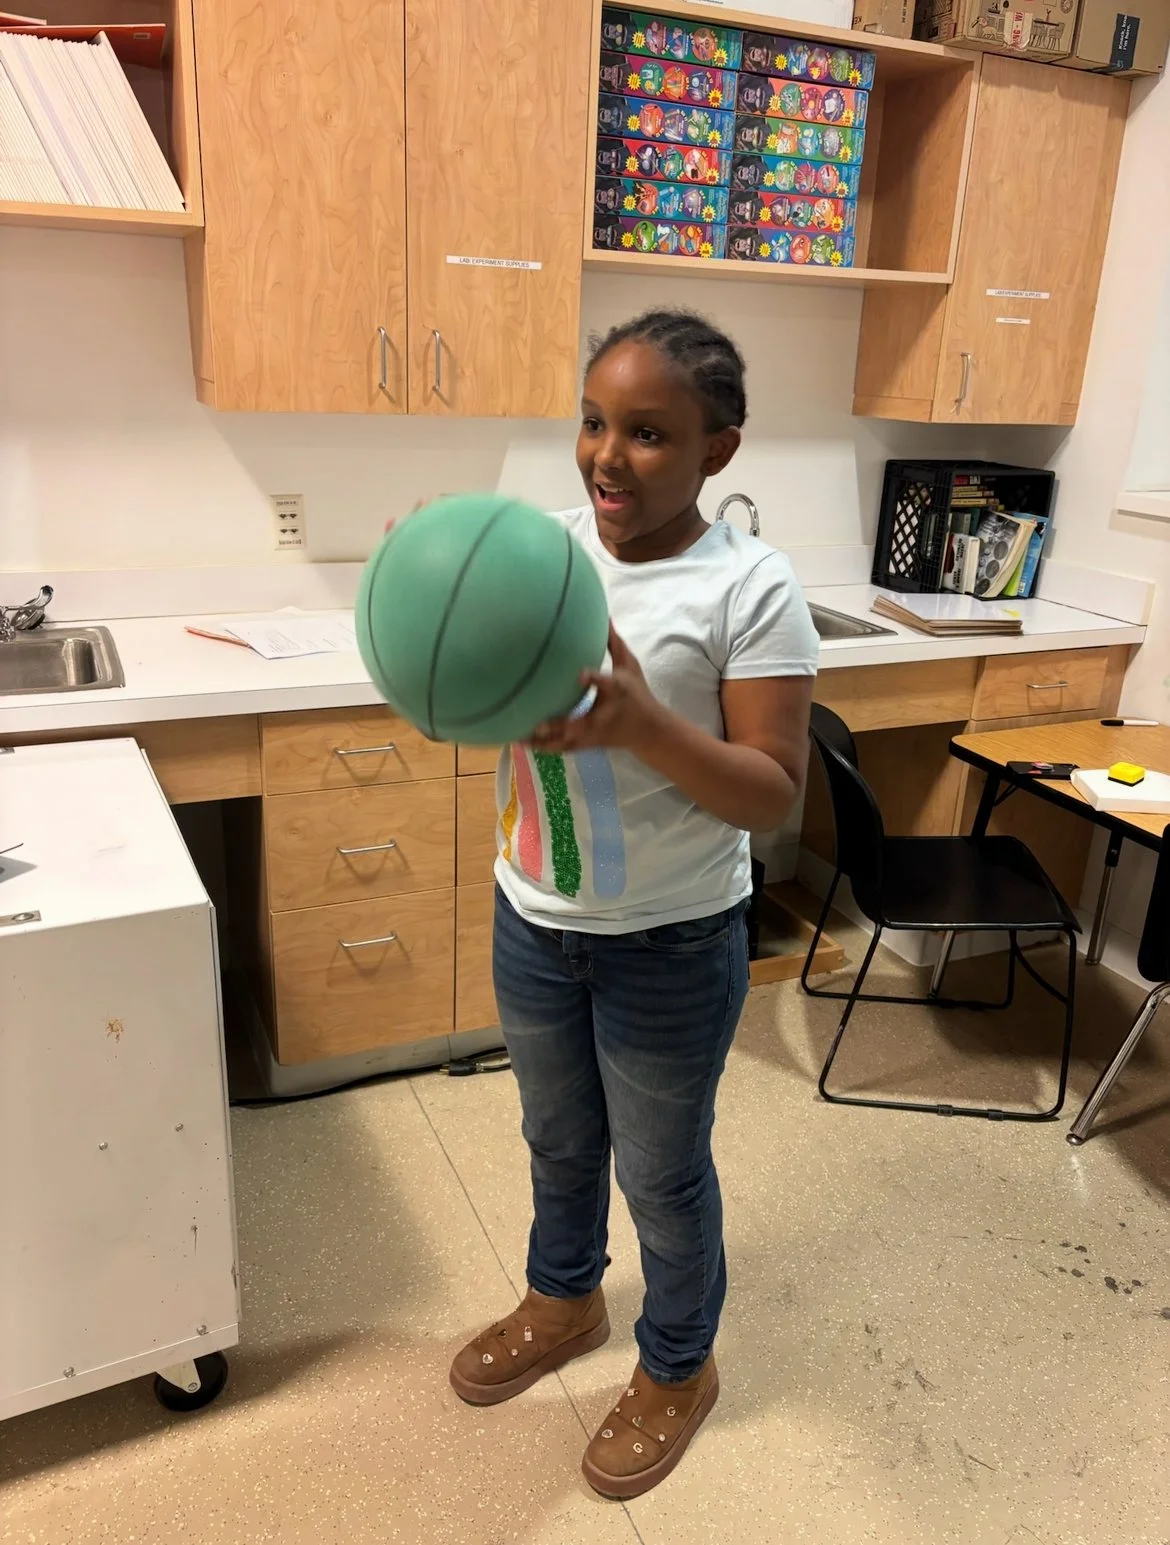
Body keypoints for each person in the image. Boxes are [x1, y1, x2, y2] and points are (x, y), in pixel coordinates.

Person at [448, 309, 819, 1500]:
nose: (608, 455)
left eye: (650, 432)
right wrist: (430, 599)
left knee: (661, 1173)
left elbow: (770, 795)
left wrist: (641, 722)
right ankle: (564, 1301)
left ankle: (678, 1364)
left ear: (721, 449)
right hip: (536, 920)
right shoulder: (540, 554)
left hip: (669, 943)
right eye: (595, 421)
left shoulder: (750, 589)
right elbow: (461, 691)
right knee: (558, 1143)